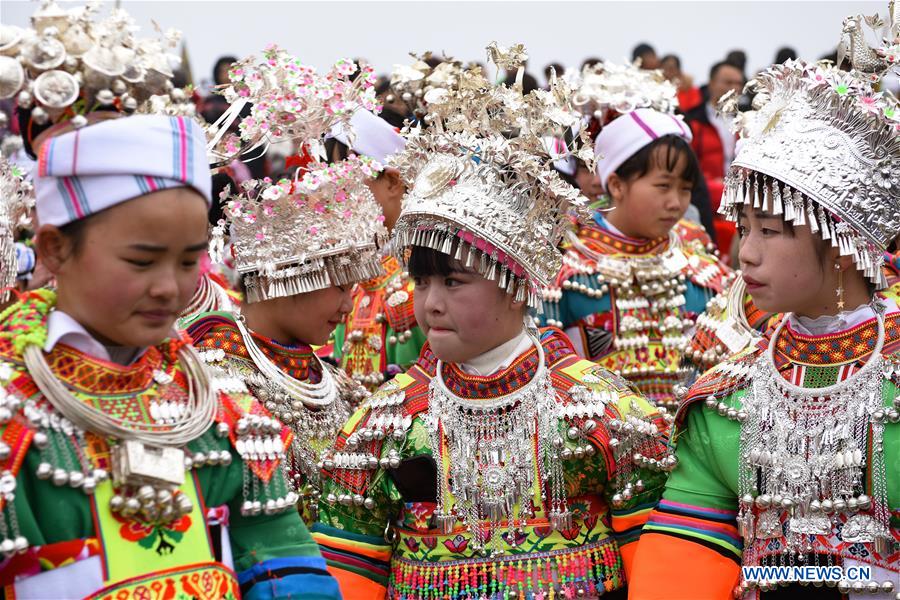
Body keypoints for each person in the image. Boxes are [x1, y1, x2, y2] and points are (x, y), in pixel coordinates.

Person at [313, 47, 672, 600]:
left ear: (516, 282)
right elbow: (347, 573)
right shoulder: (380, 427)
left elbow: (659, 569)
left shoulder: (605, 415)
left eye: (454, 282)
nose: (430, 303)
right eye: (423, 281)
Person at [630, 54, 900, 599]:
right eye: (744, 228)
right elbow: (683, 559)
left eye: (771, 231)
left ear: (841, 243)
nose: (745, 254)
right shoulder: (725, 393)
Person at [188, 47, 381, 524]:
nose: (347, 305)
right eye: (339, 285)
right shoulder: (209, 378)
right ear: (287, 271)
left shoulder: (340, 386)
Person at [541, 61, 731, 409]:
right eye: (662, 187)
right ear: (616, 183)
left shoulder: (698, 256)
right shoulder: (566, 260)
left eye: (686, 189)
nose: (676, 203)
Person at [327, 109, 427, 390]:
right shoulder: (354, 282)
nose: (338, 202)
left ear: (394, 183)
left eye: (349, 188)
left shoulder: (425, 273)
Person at [684, 60, 745, 257]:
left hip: (740, 198)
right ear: (711, 83)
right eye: (727, 82)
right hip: (706, 198)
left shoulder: (750, 120)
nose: (733, 88)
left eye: (737, 83)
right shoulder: (692, 121)